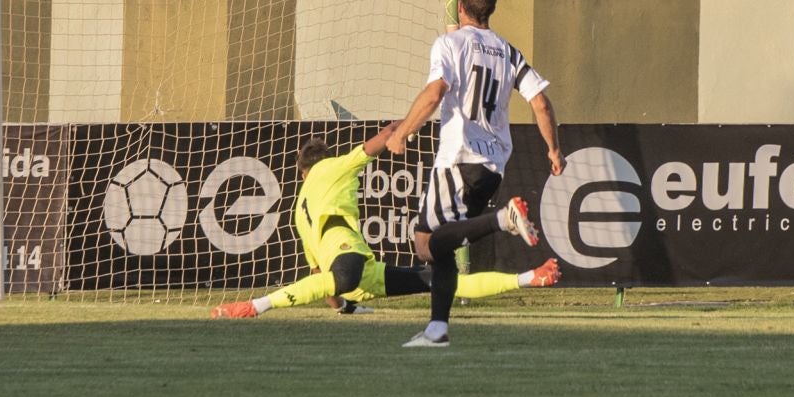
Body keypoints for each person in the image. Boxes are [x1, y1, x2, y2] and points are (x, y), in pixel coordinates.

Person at [210, 119, 559, 320]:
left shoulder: (298, 212)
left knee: (439, 281)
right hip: (351, 260)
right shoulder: (334, 165)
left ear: (301, 172)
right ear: (321, 162)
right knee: (433, 278)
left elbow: (321, 279)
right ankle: (256, 306)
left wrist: (345, 309)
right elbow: (373, 144)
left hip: (353, 268)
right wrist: (402, 127)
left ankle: (531, 277)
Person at [384, 0, 564, 349]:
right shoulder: (508, 50)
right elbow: (541, 103)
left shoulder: (450, 44)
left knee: (427, 244)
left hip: (458, 157)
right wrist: (553, 149)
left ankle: (502, 219)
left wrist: (402, 132)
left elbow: (435, 93)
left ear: (461, 6)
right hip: (494, 164)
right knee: (434, 243)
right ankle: (437, 329)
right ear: (490, 10)